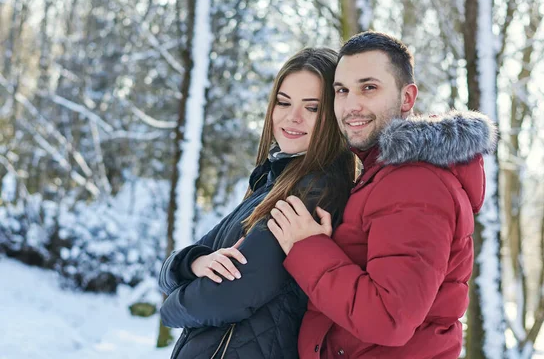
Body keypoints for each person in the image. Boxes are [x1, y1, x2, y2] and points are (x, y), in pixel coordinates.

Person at [268, 31, 498, 358]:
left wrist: (307, 248)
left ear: (407, 98)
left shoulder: (416, 182)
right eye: (342, 91)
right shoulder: (379, 175)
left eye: (369, 88)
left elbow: (390, 319)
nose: (351, 105)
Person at [158, 47, 356, 359]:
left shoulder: (313, 191)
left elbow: (229, 295)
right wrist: (195, 263)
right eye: (284, 102)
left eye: (312, 108)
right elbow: (178, 264)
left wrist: (170, 307)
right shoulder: (271, 181)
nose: (293, 117)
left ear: (334, 114)